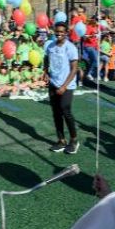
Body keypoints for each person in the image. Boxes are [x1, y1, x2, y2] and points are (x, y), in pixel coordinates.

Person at [43, 21, 79, 154]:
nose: (59, 34)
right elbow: (46, 58)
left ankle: (74, 140)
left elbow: (74, 69)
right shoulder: (50, 46)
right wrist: (45, 72)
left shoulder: (70, 48)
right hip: (53, 84)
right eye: (57, 32)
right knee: (56, 113)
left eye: (61, 32)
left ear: (66, 33)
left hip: (67, 85)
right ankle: (61, 140)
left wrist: (64, 86)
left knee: (65, 110)